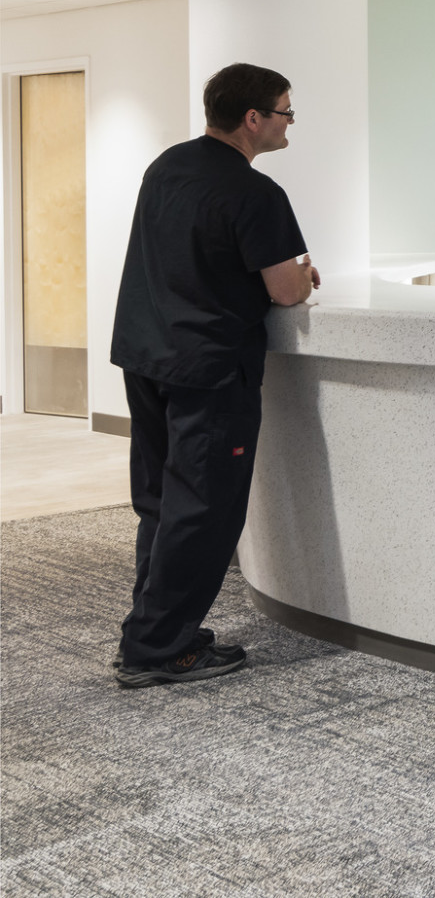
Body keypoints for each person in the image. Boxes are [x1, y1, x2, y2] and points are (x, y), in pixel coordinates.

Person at [109, 62, 317, 688]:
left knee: (161, 503)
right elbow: (285, 290)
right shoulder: (256, 194)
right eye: (285, 112)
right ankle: (158, 649)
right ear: (253, 118)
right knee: (204, 508)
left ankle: (150, 629)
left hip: (147, 356)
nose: (288, 125)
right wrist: (305, 275)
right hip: (209, 370)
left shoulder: (167, 165)